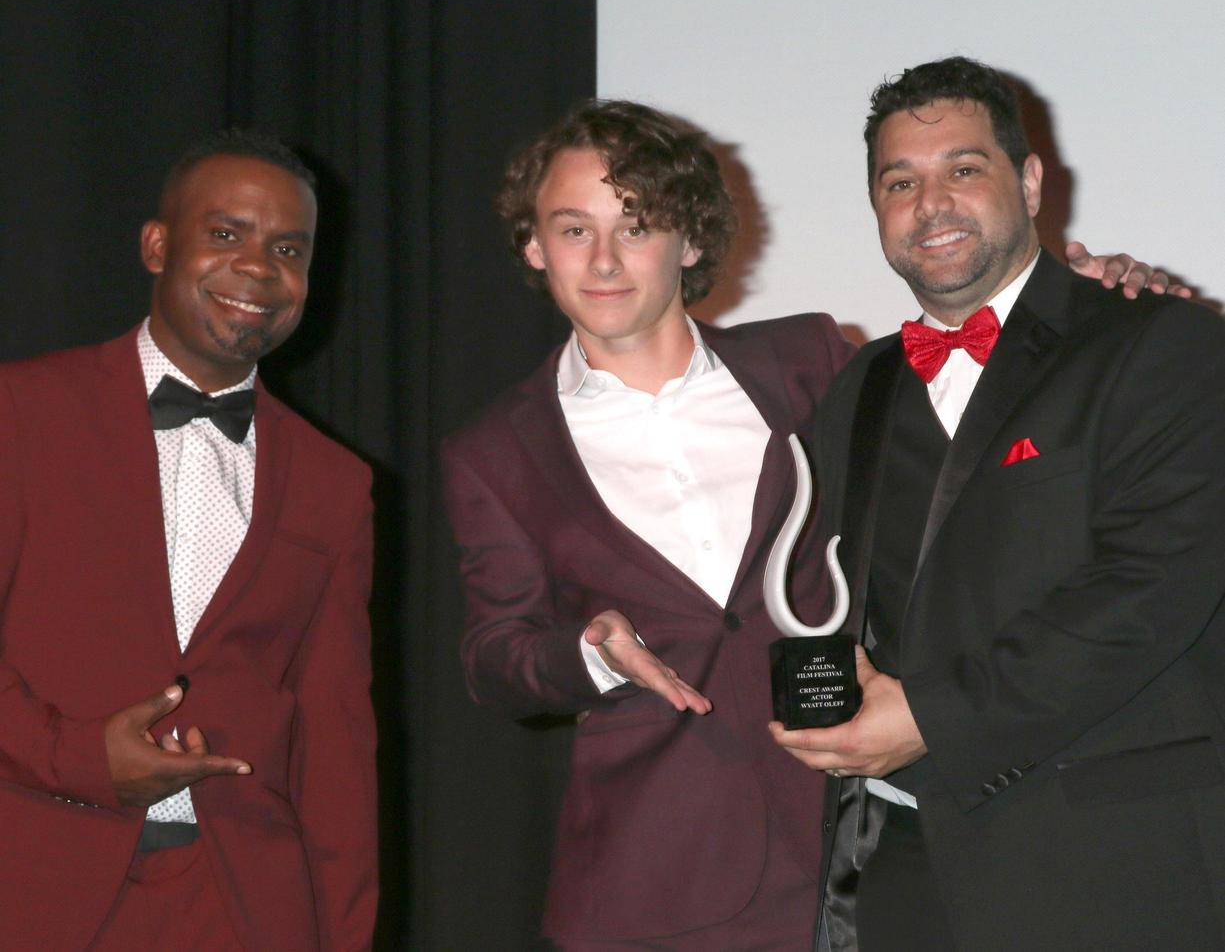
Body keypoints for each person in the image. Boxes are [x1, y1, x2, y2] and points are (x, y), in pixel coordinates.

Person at [442, 99, 1175, 950]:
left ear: (688, 239)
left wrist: (1094, 298)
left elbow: (984, 404)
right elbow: (494, 656)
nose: (603, 259)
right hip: (653, 875)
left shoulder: (812, 361)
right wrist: (589, 654)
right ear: (534, 245)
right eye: (573, 229)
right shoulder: (493, 450)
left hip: (867, 848)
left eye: (636, 226)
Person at [773, 55, 1225, 951]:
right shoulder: (859, 384)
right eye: (898, 181)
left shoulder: (1160, 341)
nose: (928, 203)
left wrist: (930, 720)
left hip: (1106, 868)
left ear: (1026, 181)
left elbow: (1150, 591)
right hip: (895, 865)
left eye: (962, 169)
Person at [0, 131, 377, 950]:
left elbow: (335, 746)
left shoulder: (334, 484)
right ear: (156, 244)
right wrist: (79, 758)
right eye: (226, 233)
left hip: (239, 906)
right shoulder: (20, 415)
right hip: (29, 885)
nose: (257, 267)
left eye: (288, 248)